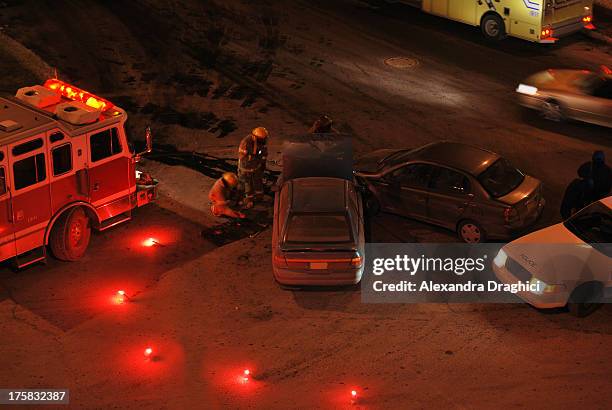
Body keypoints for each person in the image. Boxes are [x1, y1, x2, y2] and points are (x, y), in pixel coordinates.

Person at [238, 127, 268, 208]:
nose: (264, 140)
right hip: (246, 168)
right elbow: (249, 156)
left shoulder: (261, 142)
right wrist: (258, 156)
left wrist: (262, 164)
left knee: (258, 181)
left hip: (256, 167)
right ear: (256, 137)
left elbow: (263, 152)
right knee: (247, 184)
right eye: (262, 139)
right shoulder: (246, 143)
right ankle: (248, 200)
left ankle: (259, 197)